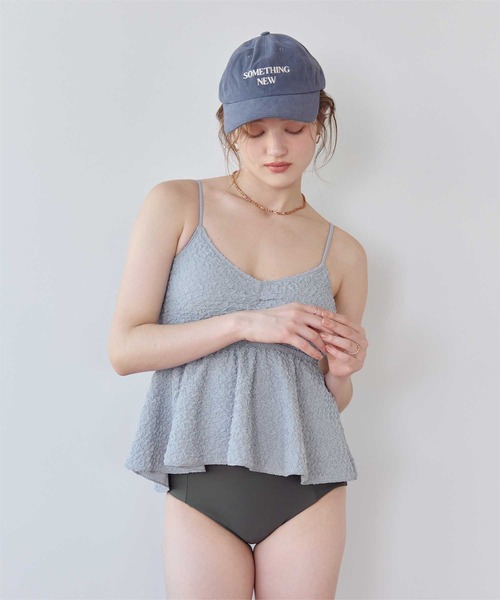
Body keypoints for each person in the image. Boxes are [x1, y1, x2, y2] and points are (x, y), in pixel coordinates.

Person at [109, 31, 368, 600]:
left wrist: (342, 373)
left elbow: (334, 399)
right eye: (254, 131)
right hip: (201, 481)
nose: (275, 147)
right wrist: (246, 323)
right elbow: (125, 349)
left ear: (319, 122)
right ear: (229, 127)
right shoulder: (177, 205)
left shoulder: (344, 253)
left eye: (293, 128)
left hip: (309, 485)